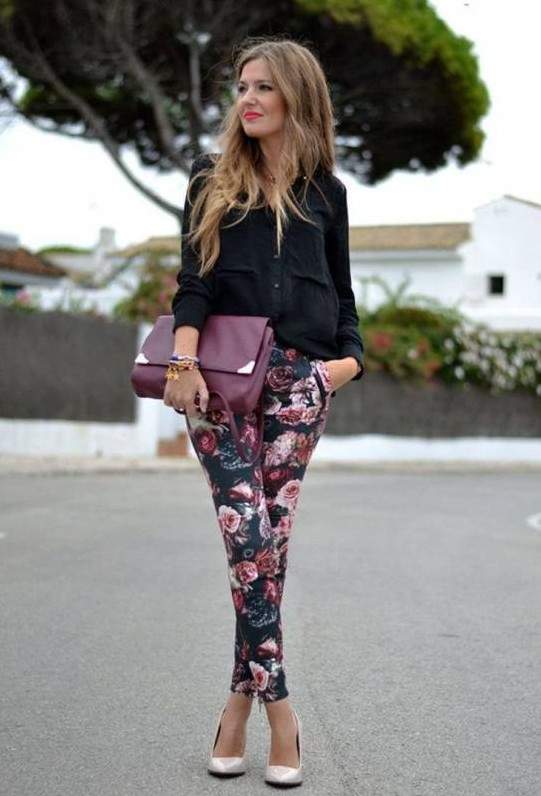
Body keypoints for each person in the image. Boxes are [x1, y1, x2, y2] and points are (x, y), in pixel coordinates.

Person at [164, 36, 364, 787]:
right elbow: (194, 282)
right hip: (215, 385)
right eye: (242, 86)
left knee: (266, 552)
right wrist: (181, 363)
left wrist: (344, 367)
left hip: (301, 384)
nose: (247, 99)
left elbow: (343, 296)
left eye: (263, 87)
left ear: (297, 98)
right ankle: (280, 711)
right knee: (247, 536)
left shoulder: (327, 194)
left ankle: (233, 706)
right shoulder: (210, 178)